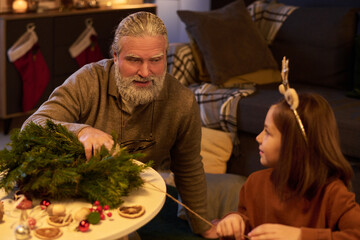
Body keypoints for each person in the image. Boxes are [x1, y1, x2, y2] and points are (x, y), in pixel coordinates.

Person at [22, 11, 214, 237]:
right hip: (77, 195)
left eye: (155, 60)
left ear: (165, 55)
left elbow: (189, 168)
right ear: (115, 55)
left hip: (137, 195)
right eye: (134, 60)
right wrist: (81, 131)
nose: (145, 72)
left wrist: (204, 227)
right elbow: (31, 128)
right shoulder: (87, 81)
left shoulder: (182, 101)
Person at [214, 92, 360, 240]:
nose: (258, 138)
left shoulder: (332, 193)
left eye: (268, 132)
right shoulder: (254, 183)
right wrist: (235, 221)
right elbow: (246, 221)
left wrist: (300, 236)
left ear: (295, 145)